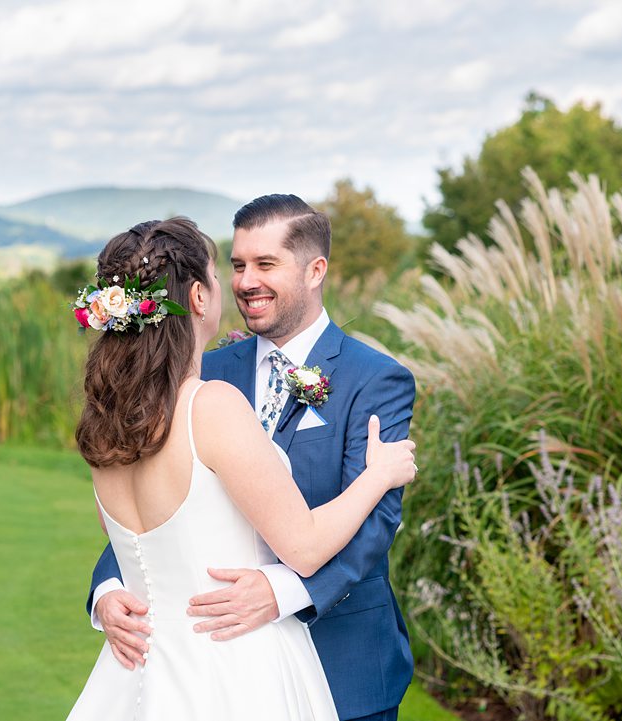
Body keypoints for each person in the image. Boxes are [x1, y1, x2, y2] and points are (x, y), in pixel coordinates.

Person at [66, 216, 416, 720]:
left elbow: (143, 526)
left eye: (265, 264)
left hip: (332, 660)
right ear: (200, 298)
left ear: (315, 269)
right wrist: (108, 591)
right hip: (236, 670)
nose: (245, 281)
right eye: (232, 267)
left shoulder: (109, 413)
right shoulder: (212, 389)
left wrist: (283, 592)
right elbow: (304, 541)